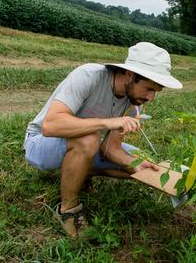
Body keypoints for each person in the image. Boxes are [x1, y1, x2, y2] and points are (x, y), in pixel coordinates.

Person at [24, 42, 183, 238]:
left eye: (156, 91)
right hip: (39, 144)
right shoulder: (88, 76)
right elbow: (50, 126)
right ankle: (68, 210)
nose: (151, 97)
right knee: (89, 139)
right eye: (149, 89)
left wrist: (136, 165)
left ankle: (83, 171)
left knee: (138, 158)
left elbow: (110, 148)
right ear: (129, 75)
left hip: (85, 144)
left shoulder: (135, 100)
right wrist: (108, 122)